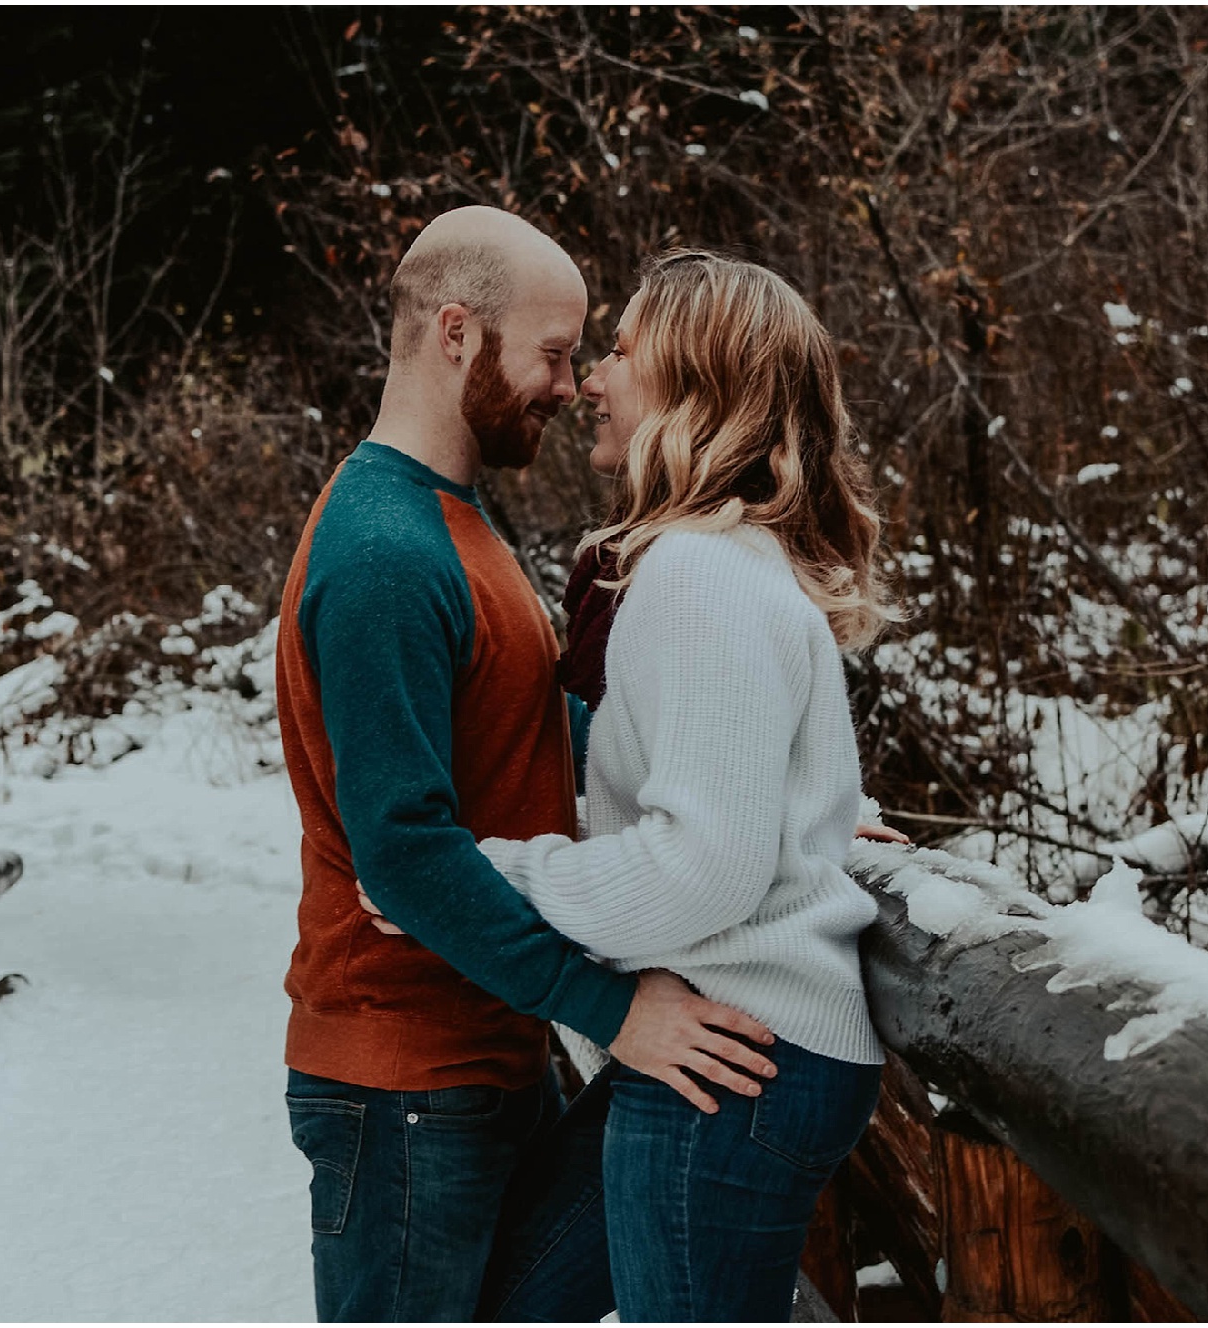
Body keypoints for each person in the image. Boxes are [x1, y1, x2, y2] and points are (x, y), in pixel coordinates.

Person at [363, 249, 903, 1321]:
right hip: (722, 1049)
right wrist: (810, 821)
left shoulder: (697, 572)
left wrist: (489, 872)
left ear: (691, 383)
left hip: (733, 1061)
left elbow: (698, 867)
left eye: (616, 350)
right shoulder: (714, 563)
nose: (589, 382)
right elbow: (719, 805)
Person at [274, 210, 782, 1322]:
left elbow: (544, 732)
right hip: (402, 1085)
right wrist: (614, 1007)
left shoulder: (448, 525)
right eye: (551, 353)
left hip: (479, 1058)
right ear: (457, 332)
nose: (567, 384)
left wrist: (780, 798)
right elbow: (401, 852)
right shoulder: (381, 554)